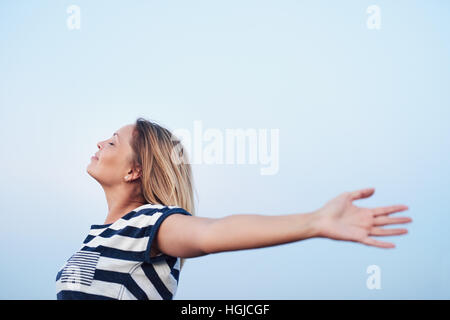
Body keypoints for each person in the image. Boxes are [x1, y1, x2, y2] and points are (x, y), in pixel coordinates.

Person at [55, 117, 413, 300]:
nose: (101, 142)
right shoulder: (98, 236)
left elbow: (213, 233)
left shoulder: (149, 224)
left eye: (113, 141)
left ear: (135, 171)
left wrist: (315, 222)